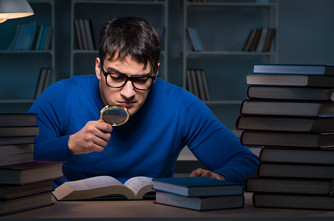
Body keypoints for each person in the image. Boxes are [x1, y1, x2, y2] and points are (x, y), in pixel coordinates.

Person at [28, 16, 258, 187]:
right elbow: (14, 160)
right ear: (99, 68)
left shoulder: (181, 105)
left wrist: (220, 177)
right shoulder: (60, 96)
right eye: (116, 77)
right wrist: (68, 145)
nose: (128, 92)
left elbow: (246, 161)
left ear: (155, 73)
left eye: (141, 79)